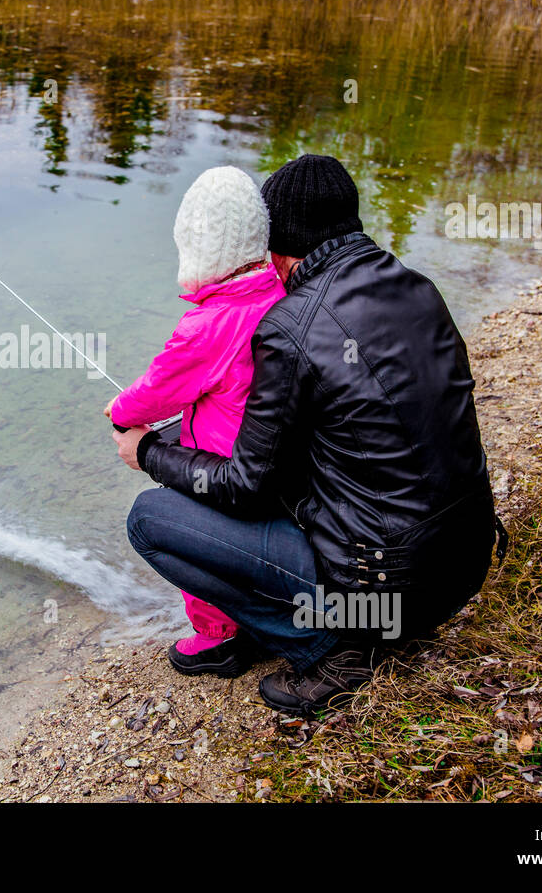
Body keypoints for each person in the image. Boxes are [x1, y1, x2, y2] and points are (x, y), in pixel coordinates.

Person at [113, 154, 505, 717]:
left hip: (389, 592)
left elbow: (244, 486)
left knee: (150, 520)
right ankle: (312, 622)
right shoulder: (418, 289)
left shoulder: (293, 326)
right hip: (465, 565)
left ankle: (330, 648)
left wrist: (150, 450)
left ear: (280, 245)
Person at [106, 165, 286, 678]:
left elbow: (155, 392)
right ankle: (262, 607)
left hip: (224, 477)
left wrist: (120, 412)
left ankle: (221, 637)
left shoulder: (206, 326)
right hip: (273, 474)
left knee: (180, 516)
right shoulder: (278, 295)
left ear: (195, 248)